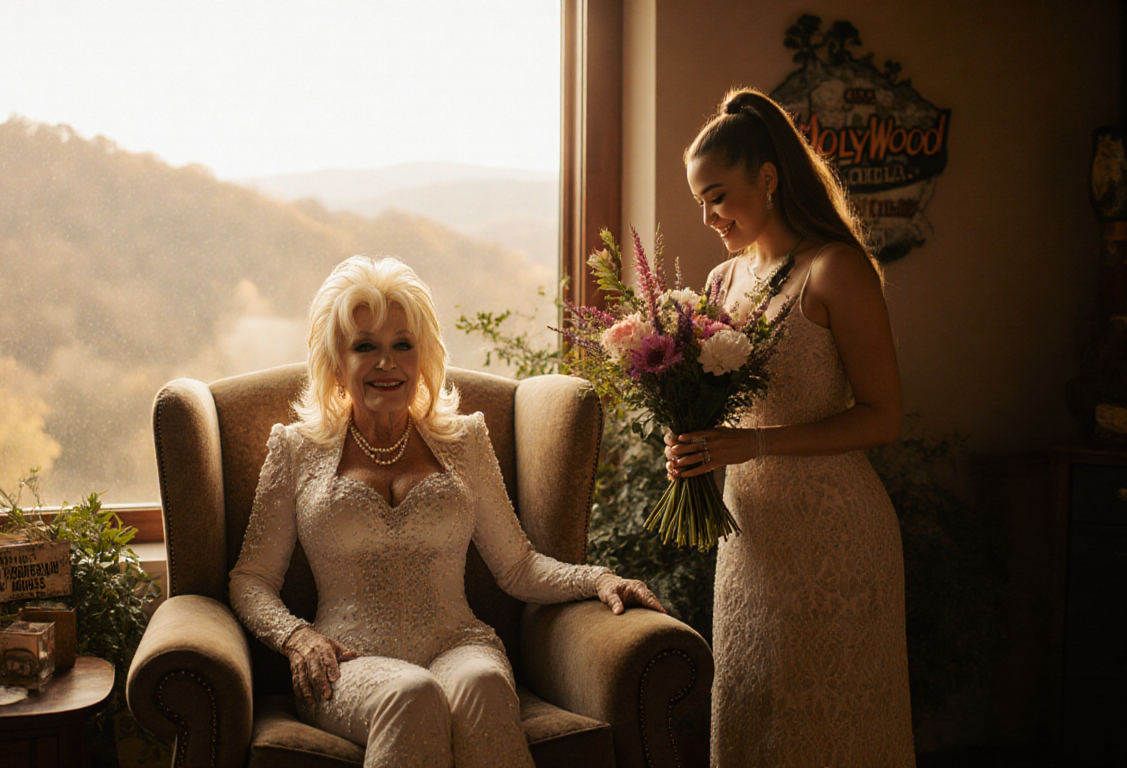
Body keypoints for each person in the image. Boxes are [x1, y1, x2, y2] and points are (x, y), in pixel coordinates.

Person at [230, 256, 664, 768]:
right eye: (365, 346)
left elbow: (517, 565)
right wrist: (297, 638)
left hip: (459, 645)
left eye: (402, 345)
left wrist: (596, 579)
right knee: (410, 694)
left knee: (481, 683)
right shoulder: (296, 450)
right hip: (348, 663)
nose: (387, 363)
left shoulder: (465, 441)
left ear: (423, 357)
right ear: (335, 362)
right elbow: (250, 578)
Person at [667, 87, 915, 766]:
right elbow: (719, 409)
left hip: (835, 540)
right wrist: (689, 435)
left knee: (829, 731)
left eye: (717, 194)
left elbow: (883, 416)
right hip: (751, 544)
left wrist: (757, 444)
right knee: (754, 721)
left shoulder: (837, 270)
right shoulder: (722, 282)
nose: (710, 215)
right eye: (701, 201)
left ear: (768, 178)